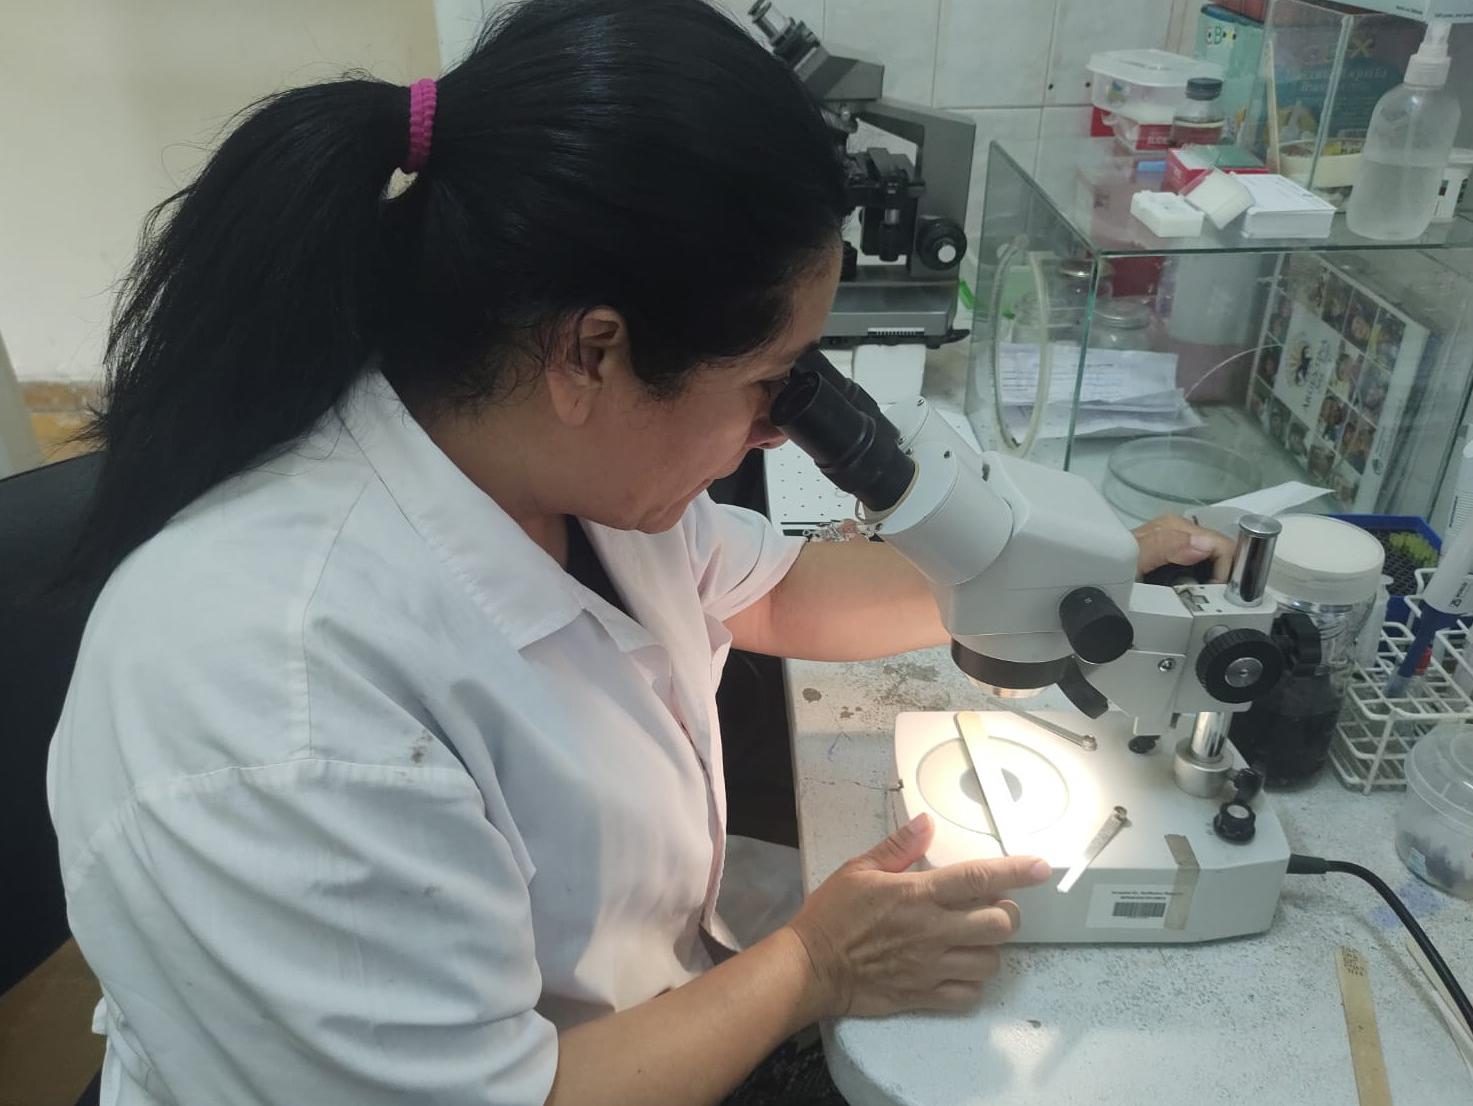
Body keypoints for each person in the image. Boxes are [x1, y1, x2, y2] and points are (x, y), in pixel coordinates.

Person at [46, 2, 1235, 1104]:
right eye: (771, 381)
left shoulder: (539, 456)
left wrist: (1046, 576)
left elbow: (782, 589)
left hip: (652, 993)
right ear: (594, 353)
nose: (783, 429)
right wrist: (816, 963)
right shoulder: (280, 707)